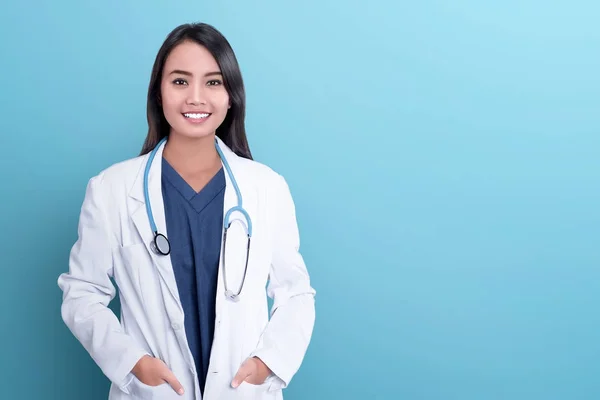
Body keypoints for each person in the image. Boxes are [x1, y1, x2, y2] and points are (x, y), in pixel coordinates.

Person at [57, 22, 316, 400]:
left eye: (213, 82)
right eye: (180, 81)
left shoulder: (267, 188)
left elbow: (296, 294)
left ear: (231, 96)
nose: (196, 97)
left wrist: (268, 364)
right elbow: (81, 293)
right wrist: (132, 363)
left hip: (239, 391)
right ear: (159, 93)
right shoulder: (112, 189)